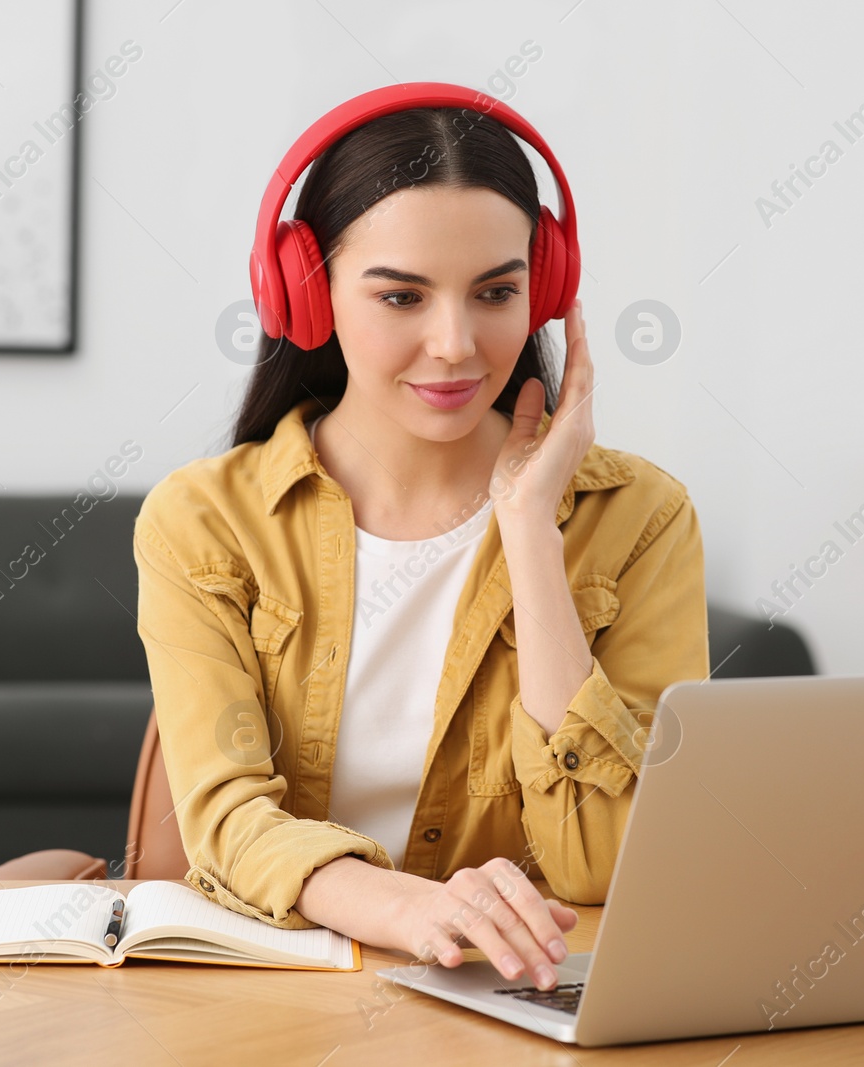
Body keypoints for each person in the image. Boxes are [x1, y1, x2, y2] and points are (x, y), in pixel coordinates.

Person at [133, 85, 708, 993]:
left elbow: (609, 860)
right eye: (402, 295)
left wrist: (527, 530)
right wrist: (403, 904)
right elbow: (228, 817)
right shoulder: (203, 522)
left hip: (516, 1000)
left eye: (496, 292)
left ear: (544, 291)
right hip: (277, 1002)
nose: (455, 345)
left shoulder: (643, 519)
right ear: (308, 294)